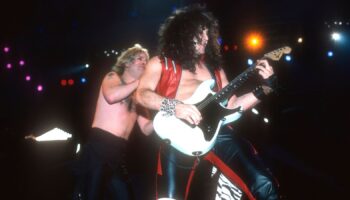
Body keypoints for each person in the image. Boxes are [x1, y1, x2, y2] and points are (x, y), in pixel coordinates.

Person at [135, 4, 279, 200]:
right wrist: (175, 106)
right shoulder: (161, 63)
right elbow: (141, 94)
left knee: (264, 184)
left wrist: (265, 88)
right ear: (182, 33)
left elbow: (233, 104)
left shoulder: (215, 70)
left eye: (207, 33)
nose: (205, 38)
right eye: (199, 32)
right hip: (178, 135)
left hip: (217, 135)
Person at [73, 44, 153, 200]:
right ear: (127, 63)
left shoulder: (138, 96)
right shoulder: (113, 77)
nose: (144, 62)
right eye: (139, 59)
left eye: (146, 60)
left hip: (118, 153)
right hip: (99, 147)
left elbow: (146, 128)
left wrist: (166, 116)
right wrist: (142, 82)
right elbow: (111, 96)